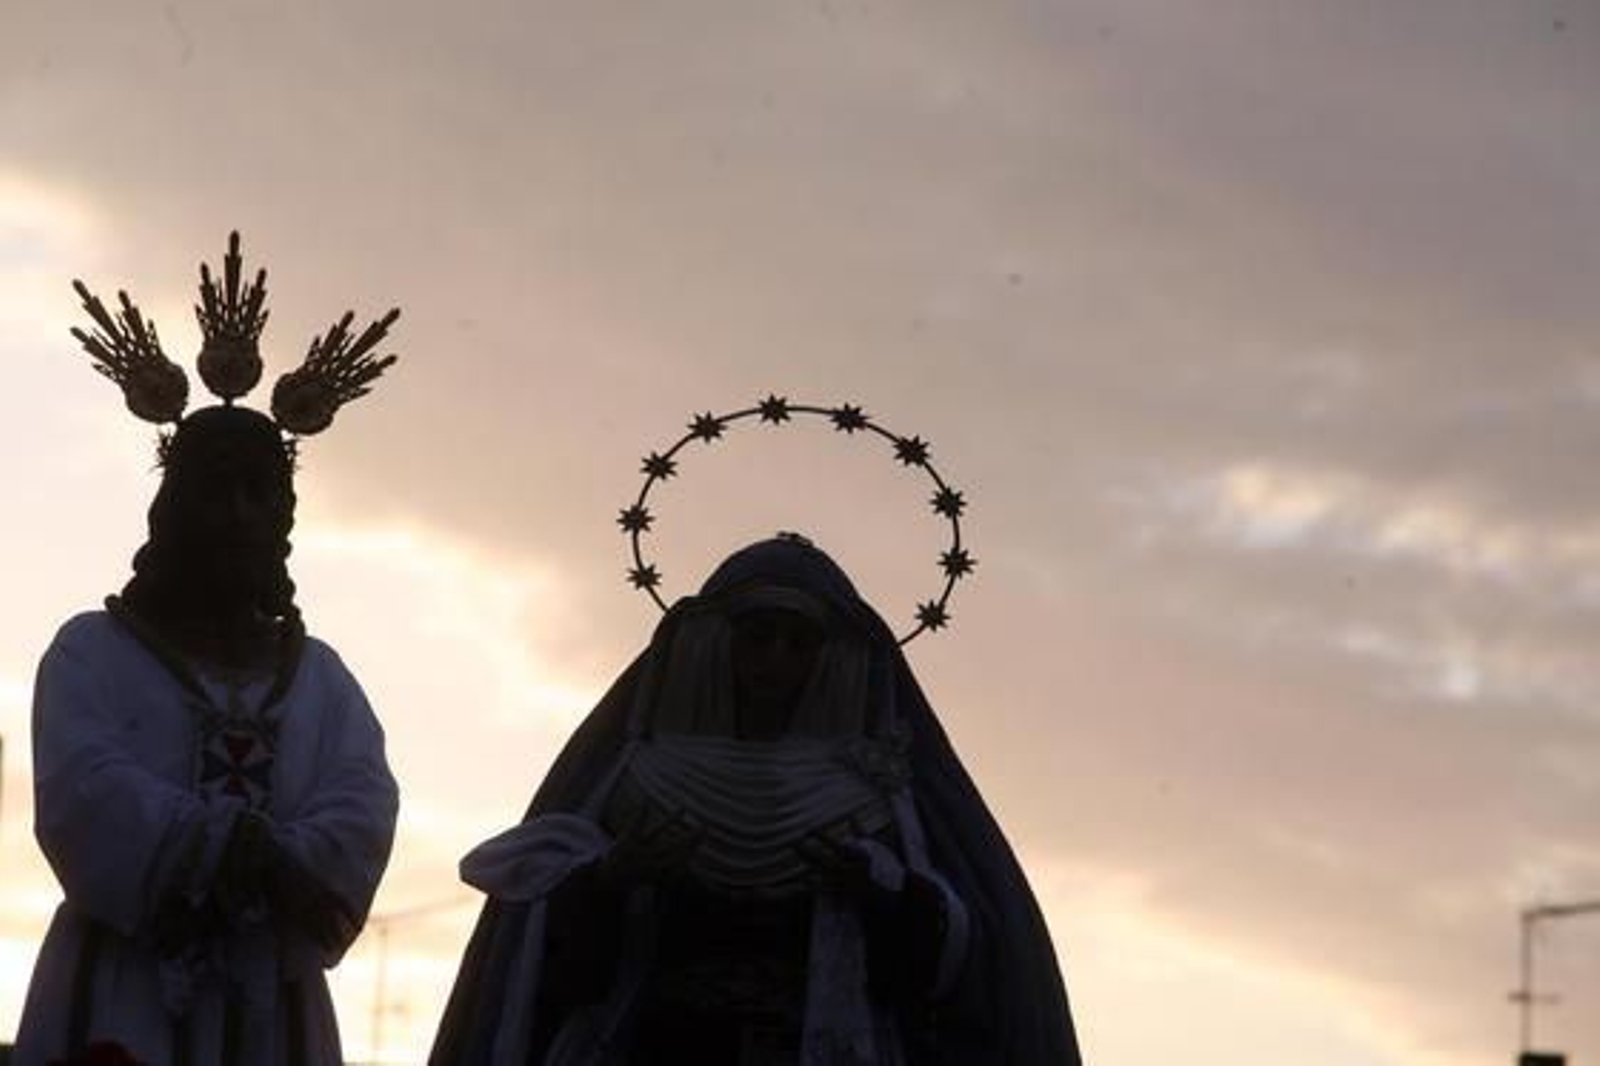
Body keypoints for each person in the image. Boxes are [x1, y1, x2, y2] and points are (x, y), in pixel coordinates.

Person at [431, 534, 1081, 1065]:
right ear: (718, 641)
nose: (776, 659)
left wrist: (887, 900)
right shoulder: (636, 779)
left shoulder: (879, 795)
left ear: (832, 658)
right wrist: (609, 881)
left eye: (800, 643)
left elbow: (970, 964)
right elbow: (542, 957)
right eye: (758, 634)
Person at [13, 234, 402, 1066]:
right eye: (210, 491)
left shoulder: (320, 680)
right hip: (121, 990)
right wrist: (232, 848)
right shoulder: (94, 652)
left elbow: (362, 802)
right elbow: (83, 790)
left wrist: (278, 867)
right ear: (170, 508)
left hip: (278, 1002)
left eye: (255, 494)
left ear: (282, 520)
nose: (232, 515)